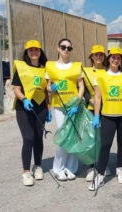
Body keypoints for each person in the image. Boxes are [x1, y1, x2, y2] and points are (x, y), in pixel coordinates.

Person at [89, 46, 122, 191]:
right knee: (105, 144)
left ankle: (120, 168)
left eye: (118, 57)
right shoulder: (101, 75)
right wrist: (97, 115)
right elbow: (97, 97)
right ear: (109, 59)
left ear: (121, 60)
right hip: (107, 115)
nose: (115, 60)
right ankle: (100, 174)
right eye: (113, 57)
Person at [12, 40, 51, 186]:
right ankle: (26, 172)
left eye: (36, 50)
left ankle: (38, 166)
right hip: (24, 107)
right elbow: (16, 89)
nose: (34, 52)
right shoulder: (21, 68)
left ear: (40, 52)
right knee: (28, 138)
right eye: (31, 50)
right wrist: (24, 99)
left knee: (38, 137)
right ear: (27, 52)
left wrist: (48, 107)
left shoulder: (44, 69)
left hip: (40, 107)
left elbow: (46, 91)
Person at [46, 38, 84, 181]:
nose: (66, 50)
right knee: (64, 136)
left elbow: (81, 86)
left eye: (69, 48)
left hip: (73, 105)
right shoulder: (50, 66)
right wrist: (51, 89)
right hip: (59, 106)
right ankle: (58, 168)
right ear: (58, 48)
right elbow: (47, 86)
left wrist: (77, 103)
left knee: (73, 136)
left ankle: (70, 167)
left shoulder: (76, 67)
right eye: (63, 47)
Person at [82, 44, 111, 181]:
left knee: (103, 139)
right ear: (91, 57)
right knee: (91, 138)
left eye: (101, 55)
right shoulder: (85, 71)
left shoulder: (108, 71)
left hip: (106, 109)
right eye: (96, 55)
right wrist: (91, 101)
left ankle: (102, 165)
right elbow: (85, 91)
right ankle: (91, 167)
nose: (98, 57)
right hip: (91, 109)